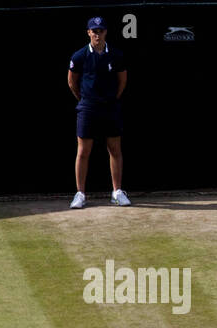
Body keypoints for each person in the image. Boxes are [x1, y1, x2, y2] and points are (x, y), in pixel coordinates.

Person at [67, 16, 129, 208]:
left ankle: (117, 192)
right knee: (83, 151)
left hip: (110, 107)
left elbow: (122, 81)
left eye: (101, 30)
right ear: (88, 32)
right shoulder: (79, 56)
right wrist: (85, 100)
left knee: (115, 150)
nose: (97, 34)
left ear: (106, 32)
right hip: (87, 108)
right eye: (94, 31)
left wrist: (111, 99)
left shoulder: (116, 56)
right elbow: (72, 82)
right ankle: (80, 194)